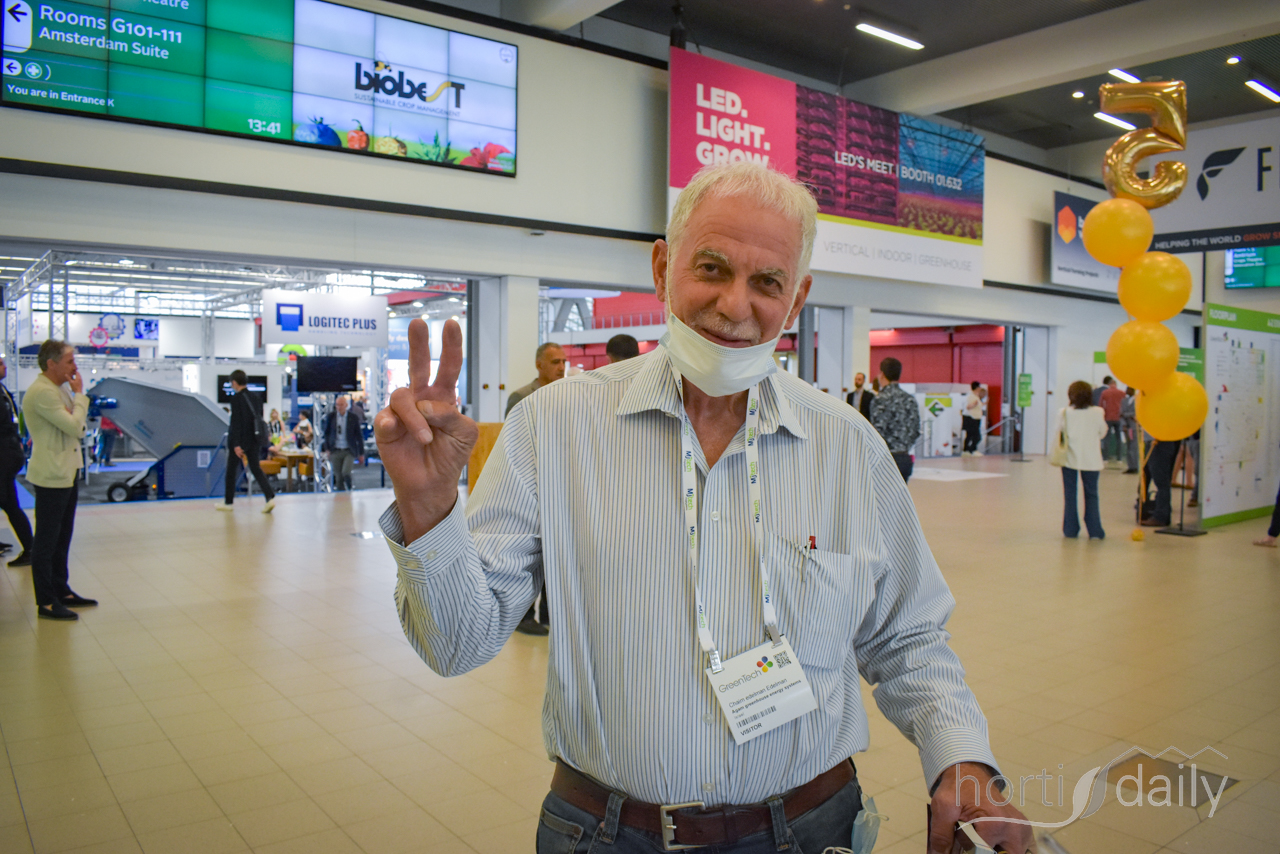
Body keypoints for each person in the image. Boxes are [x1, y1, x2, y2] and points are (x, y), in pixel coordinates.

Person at [372, 163, 1030, 854]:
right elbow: (456, 643)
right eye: (711, 268)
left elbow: (908, 637)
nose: (734, 305)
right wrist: (429, 505)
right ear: (663, 269)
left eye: (767, 283)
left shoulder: (847, 447)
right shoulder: (554, 427)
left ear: (797, 299)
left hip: (808, 829)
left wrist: (963, 762)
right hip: (608, 833)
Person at [23, 340, 96, 621]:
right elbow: (75, 426)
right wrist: (80, 396)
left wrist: (75, 406)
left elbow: (78, 424)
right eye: (69, 361)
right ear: (51, 364)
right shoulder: (43, 392)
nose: (74, 366)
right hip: (52, 475)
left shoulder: (58, 389)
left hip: (67, 471)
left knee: (62, 536)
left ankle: (61, 590)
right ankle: (46, 601)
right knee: (46, 541)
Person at [1057, 381, 1108, 539]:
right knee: (1092, 494)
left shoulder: (1064, 412)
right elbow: (1102, 432)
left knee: (1070, 494)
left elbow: (1059, 432)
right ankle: (1095, 530)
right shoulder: (1098, 412)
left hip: (1069, 459)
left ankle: (1070, 529)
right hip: (1091, 459)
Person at [220, 369, 276, 513]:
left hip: (240, 441)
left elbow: (236, 423)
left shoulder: (236, 399)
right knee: (255, 468)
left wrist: (236, 444)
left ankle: (228, 502)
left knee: (231, 470)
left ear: (234, 382)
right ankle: (269, 497)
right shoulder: (256, 398)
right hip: (255, 439)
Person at [0, 359, 34, 567]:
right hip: (9, 451)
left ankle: (30, 549)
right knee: (8, 501)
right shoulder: (4, 391)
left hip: (5, 454)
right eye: (0, 364)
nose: (4, 367)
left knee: (9, 503)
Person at [870, 357, 921, 482]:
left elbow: (876, 432)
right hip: (905, 459)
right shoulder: (910, 399)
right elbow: (916, 430)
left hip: (886, 460)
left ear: (882, 374)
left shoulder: (881, 399)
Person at [505, 342, 566, 417]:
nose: (562, 368)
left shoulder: (566, 396)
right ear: (539, 365)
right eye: (555, 362)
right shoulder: (521, 397)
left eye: (564, 362)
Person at [322, 395, 364, 491]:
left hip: (349, 450)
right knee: (338, 477)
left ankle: (349, 488)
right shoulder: (331, 417)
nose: (339, 407)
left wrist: (361, 453)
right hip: (335, 450)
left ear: (346, 405)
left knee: (346, 472)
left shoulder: (353, 418)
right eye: (337, 405)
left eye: (341, 405)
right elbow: (326, 434)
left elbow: (359, 436)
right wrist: (327, 449)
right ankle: (341, 496)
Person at [1142, 435, 1181, 527]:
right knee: (1156, 479)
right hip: (1154, 442)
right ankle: (1162, 513)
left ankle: (1161, 516)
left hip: (1159, 442)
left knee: (1161, 481)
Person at [1099, 378, 1125, 462]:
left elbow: (1101, 405)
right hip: (1118, 417)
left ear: (1109, 385)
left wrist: (1103, 415)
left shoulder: (1105, 392)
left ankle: (1105, 458)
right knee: (1118, 438)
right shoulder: (1121, 393)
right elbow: (1124, 403)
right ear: (1115, 384)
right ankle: (1119, 458)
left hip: (1108, 417)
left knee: (1107, 438)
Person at [961, 381, 986, 456]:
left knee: (969, 435)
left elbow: (978, 406)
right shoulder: (971, 396)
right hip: (972, 418)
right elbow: (968, 407)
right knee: (977, 436)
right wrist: (974, 405)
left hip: (976, 418)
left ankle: (966, 450)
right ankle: (972, 449)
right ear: (977, 388)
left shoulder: (975, 396)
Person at [1120, 387, 1139, 473]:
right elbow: (1121, 414)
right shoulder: (1124, 401)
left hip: (1134, 427)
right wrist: (1123, 424)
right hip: (1126, 428)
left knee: (1133, 447)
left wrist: (1126, 414)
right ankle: (1130, 466)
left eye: (1128, 389)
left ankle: (1135, 466)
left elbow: (1136, 413)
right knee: (1128, 447)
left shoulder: (1138, 400)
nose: (1126, 391)